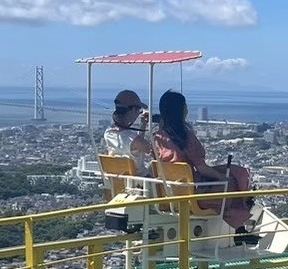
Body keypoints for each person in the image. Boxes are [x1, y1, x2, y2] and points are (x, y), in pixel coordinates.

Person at [152, 90, 254, 235]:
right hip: (194, 194)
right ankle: (239, 226)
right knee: (232, 179)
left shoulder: (158, 137)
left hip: (171, 192)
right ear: (180, 110)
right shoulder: (185, 136)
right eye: (184, 106)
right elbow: (201, 167)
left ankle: (239, 224)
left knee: (233, 173)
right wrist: (222, 178)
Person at [103, 89, 152, 176]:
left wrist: (143, 125)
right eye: (138, 109)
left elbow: (129, 142)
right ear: (133, 109)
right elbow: (154, 152)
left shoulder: (108, 133)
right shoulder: (134, 139)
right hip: (142, 183)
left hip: (121, 181)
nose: (138, 113)